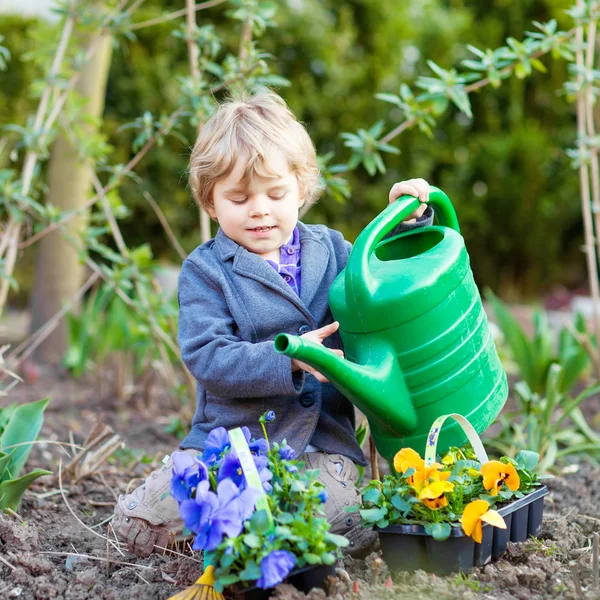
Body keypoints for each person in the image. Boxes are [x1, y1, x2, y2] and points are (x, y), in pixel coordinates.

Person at [112, 89, 432, 558]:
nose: (259, 209)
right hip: (230, 449)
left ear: (301, 189)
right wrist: (294, 358)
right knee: (137, 523)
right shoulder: (206, 272)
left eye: (276, 193)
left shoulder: (336, 252)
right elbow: (208, 356)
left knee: (318, 512)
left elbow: (382, 281)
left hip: (321, 447)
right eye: (238, 197)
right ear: (210, 202)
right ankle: (245, 530)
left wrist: (405, 221)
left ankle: (269, 537)